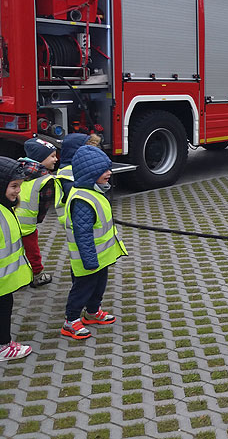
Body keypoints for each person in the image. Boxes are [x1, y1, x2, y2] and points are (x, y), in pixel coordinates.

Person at [61, 145, 127, 340]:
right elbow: (83, 234)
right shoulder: (82, 200)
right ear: (90, 174)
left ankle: (92, 312)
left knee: (98, 286)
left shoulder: (93, 191)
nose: (109, 173)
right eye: (103, 171)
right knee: (82, 289)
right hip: (87, 259)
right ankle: (70, 321)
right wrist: (90, 260)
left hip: (100, 257)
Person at [0, 156, 34, 361]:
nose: (18, 191)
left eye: (19, 186)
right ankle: (4, 346)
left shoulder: (5, 207)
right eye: (14, 186)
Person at [16, 138, 58, 288]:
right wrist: (37, 220)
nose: (56, 159)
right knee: (32, 252)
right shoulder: (46, 179)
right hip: (27, 225)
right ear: (40, 159)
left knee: (12, 250)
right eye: (52, 156)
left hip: (9, 222)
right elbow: (43, 206)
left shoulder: (15, 169)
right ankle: (37, 275)